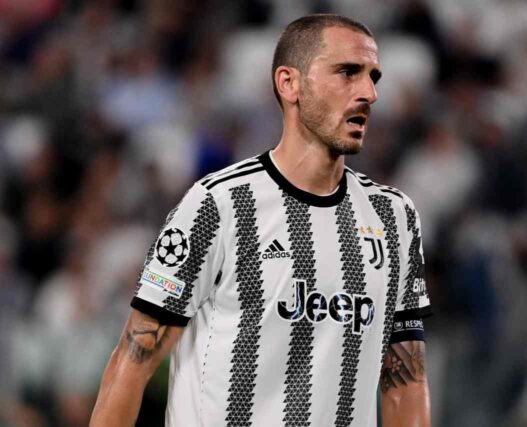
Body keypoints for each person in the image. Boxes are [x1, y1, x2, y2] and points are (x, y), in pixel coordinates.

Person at [90, 14, 433, 427]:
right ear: (289, 83)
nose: (369, 93)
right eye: (347, 72)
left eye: (373, 77)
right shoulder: (217, 205)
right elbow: (132, 362)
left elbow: (405, 382)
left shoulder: (393, 217)